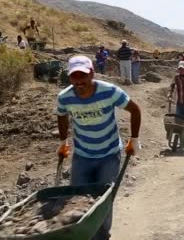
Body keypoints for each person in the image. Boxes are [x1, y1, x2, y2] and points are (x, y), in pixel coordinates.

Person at [56, 55, 142, 240]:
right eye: (74, 76)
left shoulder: (109, 92)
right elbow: (62, 115)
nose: (79, 81)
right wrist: (63, 142)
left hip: (109, 154)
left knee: (104, 199)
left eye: (83, 75)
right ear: (69, 77)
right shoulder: (65, 97)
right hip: (82, 155)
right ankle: (82, 234)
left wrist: (134, 139)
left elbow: (135, 109)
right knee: (77, 198)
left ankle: (102, 236)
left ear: (92, 73)